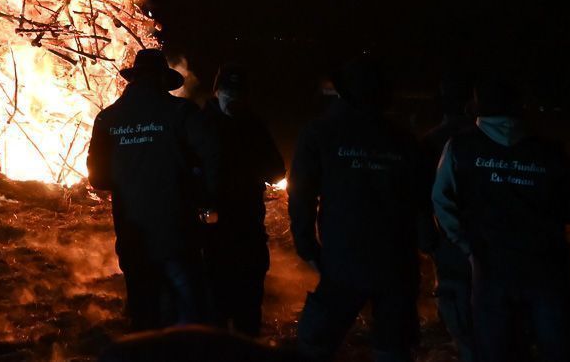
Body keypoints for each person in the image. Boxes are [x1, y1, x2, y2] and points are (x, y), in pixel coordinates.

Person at [431, 76, 570, 362]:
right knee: (556, 348)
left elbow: (441, 201)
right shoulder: (550, 151)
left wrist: (465, 244)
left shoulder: (460, 147)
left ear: (476, 106)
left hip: (490, 265)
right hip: (546, 264)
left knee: (494, 349)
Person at [287, 58, 424, 362]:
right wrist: (425, 242)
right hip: (395, 259)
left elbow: (301, 194)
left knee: (315, 344)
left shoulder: (320, 132)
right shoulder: (402, 138)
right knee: (392, 346)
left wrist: (306, 243)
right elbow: (419, 198)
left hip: (343, 256)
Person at [88, 49, 223, 331]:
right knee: (189, 314)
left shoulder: (107, 119)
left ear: (134, 79)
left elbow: (98, 179)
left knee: (143, 312)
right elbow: (212, 159)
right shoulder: (181, 113)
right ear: (163, 79)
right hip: (178, 230)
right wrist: (207, 199)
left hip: (132, 233)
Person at [201, 65, 284, 337]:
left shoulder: (253, 125)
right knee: (214, 308)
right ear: (216, 92)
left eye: (238, 92)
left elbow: (276, 170)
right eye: (228, 91)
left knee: (247, 308)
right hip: (211, 231)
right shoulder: (199, 124)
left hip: (247, 226)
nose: (233, 97)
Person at [419, 72, 476, 362]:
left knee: (455, 290)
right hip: (485, 235)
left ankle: (467, 346)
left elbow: (418, 194)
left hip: (447, 234)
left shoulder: (433, 141)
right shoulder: (483, 137)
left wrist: (424, 232)